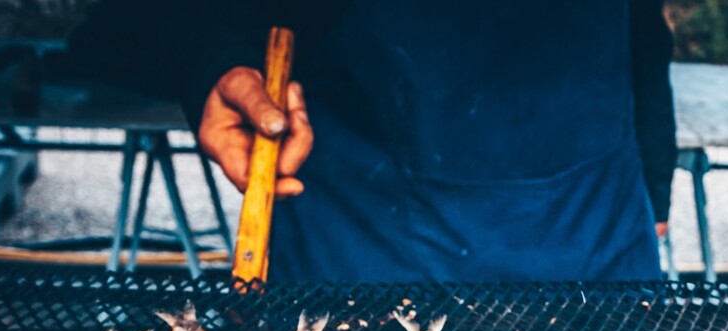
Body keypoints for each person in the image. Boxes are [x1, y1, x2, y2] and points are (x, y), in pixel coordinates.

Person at [176, 1, 676, 283]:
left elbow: (644, 26)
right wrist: (216, 61)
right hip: (362, 216)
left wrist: (655, 169)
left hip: (589, 209)